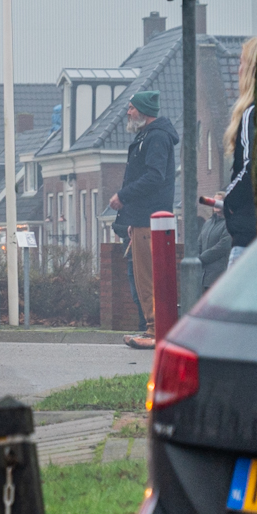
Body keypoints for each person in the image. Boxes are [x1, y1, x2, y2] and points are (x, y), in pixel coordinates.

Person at [111, 89, 177, 350]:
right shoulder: (148, 136)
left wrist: (123, 196)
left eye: (131, 108)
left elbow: (154, 176)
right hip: (143, 219)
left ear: (143, 111)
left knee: (149, 278)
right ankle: (153, 328)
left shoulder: (156, 137)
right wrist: (132, 218)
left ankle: (155, 330)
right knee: (144, 278)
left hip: (150, 220)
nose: (128, 112)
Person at [222, 37, 257, 271]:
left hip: (248, 234)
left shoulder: (251, 113)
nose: (238, 70)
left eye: (241, 62)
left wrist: (228, 200)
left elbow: (249, 168)